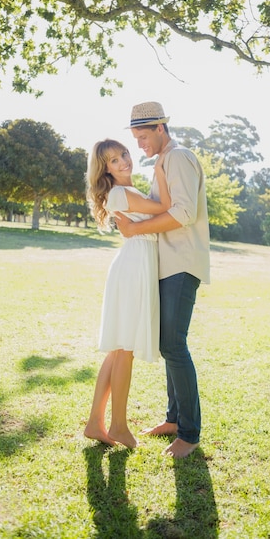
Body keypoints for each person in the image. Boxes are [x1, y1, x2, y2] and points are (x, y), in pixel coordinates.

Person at [115, 101, 210, 459]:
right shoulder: (162, 162)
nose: (139, 144)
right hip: (165, 265)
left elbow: (183, 213)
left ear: (160, 127)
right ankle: (173, 419)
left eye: (143, 136)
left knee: (173, 344)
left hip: (181, 264)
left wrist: (135, 228)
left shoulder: (179, 157)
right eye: (135, 138)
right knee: (167, 344)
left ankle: (189, 433)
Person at [83, 138, 170, 449]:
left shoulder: (128, 191)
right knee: (125, 349)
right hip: (134, 267)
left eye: (124, 154)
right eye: (113, 160)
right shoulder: (120, 192)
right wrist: (161, 166)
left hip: (136, 263)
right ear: (105, 169)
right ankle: (118, 425)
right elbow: (164, 209)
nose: (123, 161)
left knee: (119, 348)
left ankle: (95, 423)